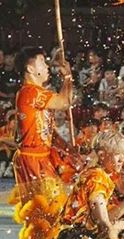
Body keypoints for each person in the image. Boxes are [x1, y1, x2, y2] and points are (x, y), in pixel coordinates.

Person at [13, 47, 79, 192]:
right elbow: (64, 102)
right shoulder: (31, 92)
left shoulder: (37, 93)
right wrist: (68, 77)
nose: (47, 66)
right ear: (30, 69)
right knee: (45, 203)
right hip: (32, 158)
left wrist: (67, 149)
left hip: (40, 156)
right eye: (42, 62)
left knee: (50, 202)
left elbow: (49, 131)